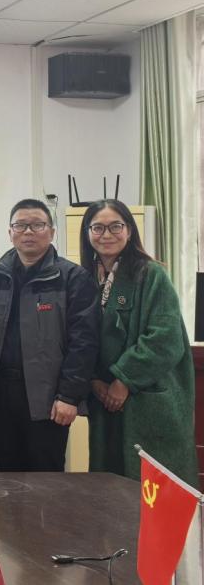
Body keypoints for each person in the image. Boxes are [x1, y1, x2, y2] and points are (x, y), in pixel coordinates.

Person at [79, 199, 197, 486]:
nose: (106, 235)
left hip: (147, 398)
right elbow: (79, 336)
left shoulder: (151, 274)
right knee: (110, 488)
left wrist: (123, 380)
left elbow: (165, 338)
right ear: (88, 233)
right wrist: (94, 380)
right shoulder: (85, 279)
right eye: (98, 228)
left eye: (115, 226)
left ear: (129, 230)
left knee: (153, 489)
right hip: (104, 399)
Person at [0, 199, 99, 472]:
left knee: (46, 477)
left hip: (48, 397)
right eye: (20, 225)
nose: (28, 232)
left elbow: (84, 343)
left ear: (52, 232)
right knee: (7, 478)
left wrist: (69, 396)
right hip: (0, 394)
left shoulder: (72, 277)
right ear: (10, 232)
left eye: (37, 225)